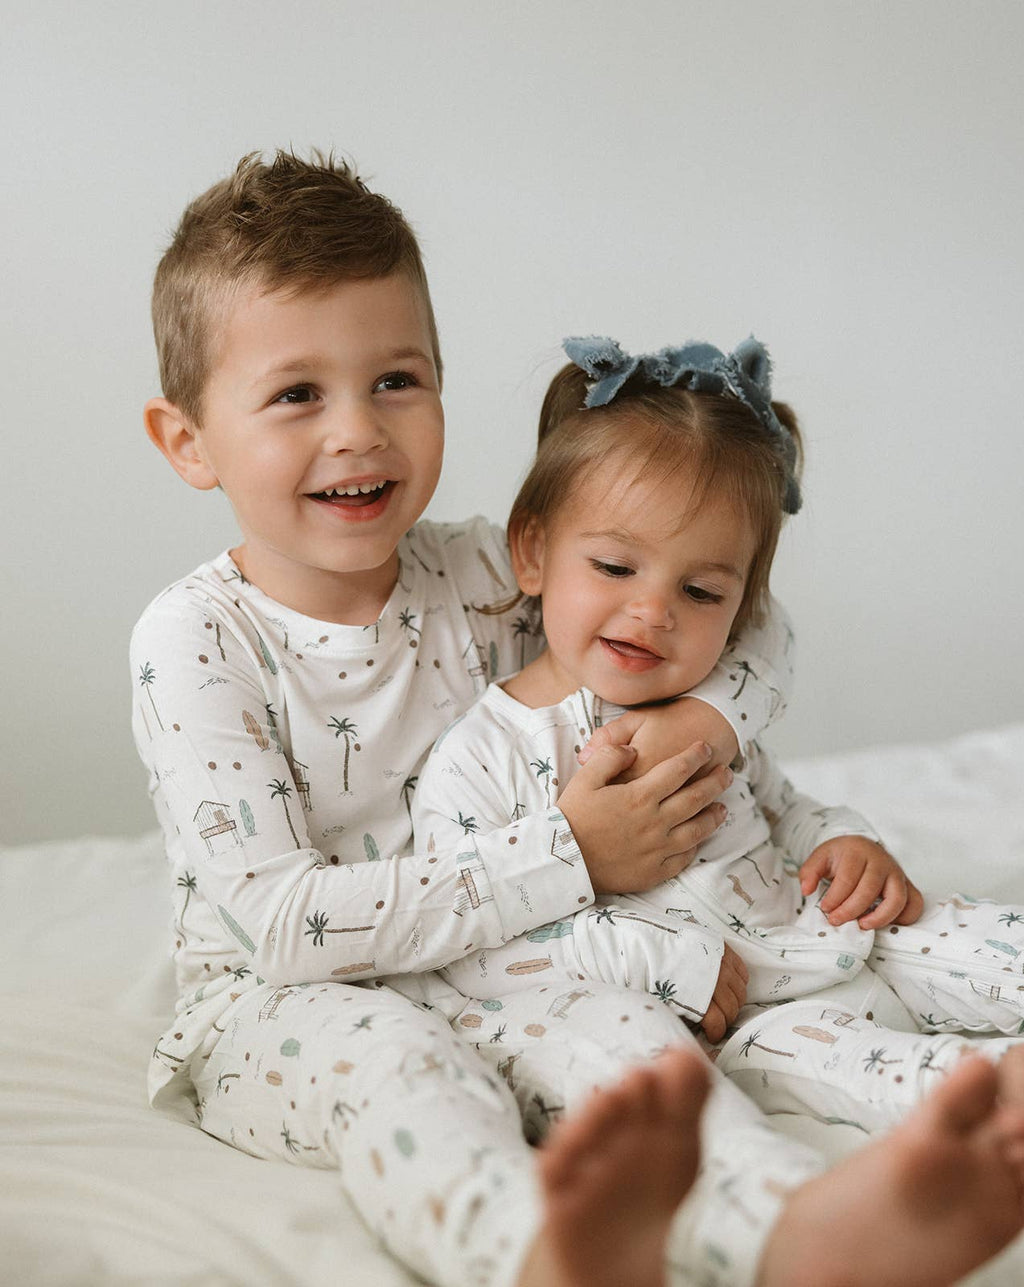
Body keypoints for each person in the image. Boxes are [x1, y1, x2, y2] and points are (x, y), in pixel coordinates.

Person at [130, 150, 1024, 1287]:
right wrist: (567, 854)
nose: (357, 429)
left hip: (528, 972)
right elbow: (280, 921)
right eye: (298, 393)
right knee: (403, 1073)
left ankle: (790, 1226)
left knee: (634, 1056)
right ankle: (538, 1251)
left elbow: (746, 618)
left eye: (397, 379)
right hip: (290, 1002)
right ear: (189, 441)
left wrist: (705, 726)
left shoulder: (483, 570)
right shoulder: (196, 639)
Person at [411, 335, 1024, 1139]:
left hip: (835, 931)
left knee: (980, 931)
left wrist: (843, 839)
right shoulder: (480, 758)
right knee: (856, 1065)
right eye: (615, 568)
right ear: (533, 550)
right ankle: (994, 1091)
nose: (655, 610)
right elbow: (475, 951)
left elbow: (780, 801)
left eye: (700, 590)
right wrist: (659, 963)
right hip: (741, 1017)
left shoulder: (704, 708)